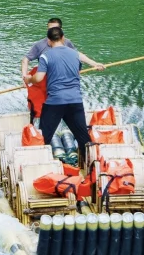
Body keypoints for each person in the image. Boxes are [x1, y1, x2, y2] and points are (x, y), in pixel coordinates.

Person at [35, 23, 105, 157]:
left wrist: (28, 79)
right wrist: (95, 64)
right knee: (83, 137)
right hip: (74, 101)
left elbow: (39, 78)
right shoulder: (74, 54)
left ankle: (42, 162)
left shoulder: (45, 56)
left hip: (55, 102)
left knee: (44, 137)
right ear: (63, 38)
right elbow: (81, 57)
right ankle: (90, 166)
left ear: (49, 41)